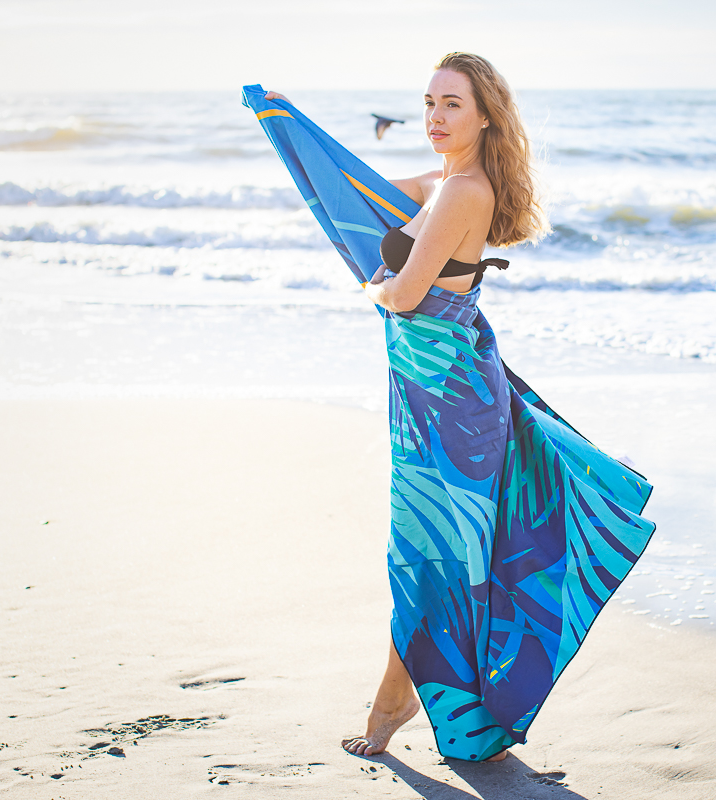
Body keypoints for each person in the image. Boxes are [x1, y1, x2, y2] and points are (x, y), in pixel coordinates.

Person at [266, 52, 654, 764]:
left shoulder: (461, 193)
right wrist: (289, 124)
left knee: (427, 553)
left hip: (446, 407)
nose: (436, 118)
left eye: (452, 104)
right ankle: (430, 702)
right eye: (429, 103)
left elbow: (407, 295)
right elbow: (362, 187)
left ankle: (395, 704)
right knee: (435, 554)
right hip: (436, 395)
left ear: (483, 116)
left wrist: (373, 288)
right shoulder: (447, 183)